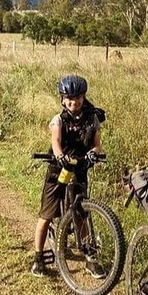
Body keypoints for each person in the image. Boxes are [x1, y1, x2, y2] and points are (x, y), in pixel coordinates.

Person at [31, 74, 106, 278]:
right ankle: (38, 258)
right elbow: (56, 140)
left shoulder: (92, 118)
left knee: (82, 214)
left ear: (83, 98)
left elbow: (97, 144)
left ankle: (90, 259)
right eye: (70, 100)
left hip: (80, 168)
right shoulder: (58, 120)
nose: (74, 103)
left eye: (78, 99)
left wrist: (94, 153)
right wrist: (60, 155)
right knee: (46, 215)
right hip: (59, 170)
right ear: (62, 100)